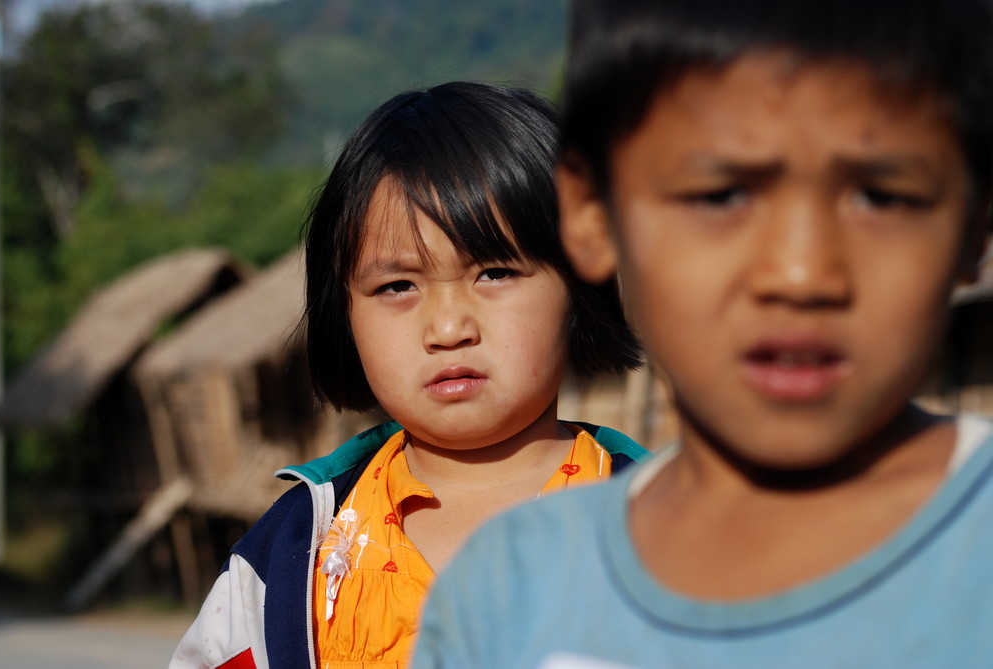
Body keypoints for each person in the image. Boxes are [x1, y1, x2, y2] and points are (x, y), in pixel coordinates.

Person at [412, 1, 993, 667]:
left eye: (881, 197)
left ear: (976, 221)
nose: (801, 274)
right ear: (592, 212)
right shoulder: (506, 593)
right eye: (720, 196)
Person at [169, 81, 645, 669]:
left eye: (494, 273)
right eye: (397, 286)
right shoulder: (291, 556)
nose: (447, 327)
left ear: (580, 286)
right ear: (343, 316)